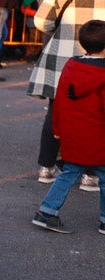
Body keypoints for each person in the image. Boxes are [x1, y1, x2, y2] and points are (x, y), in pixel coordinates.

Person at [27, 0, 105, 188]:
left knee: (55, 113)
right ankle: (91, 174)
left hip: (63, 61)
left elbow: (41, 22)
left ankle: (46, 167)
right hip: (99, 64)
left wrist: (62, 32)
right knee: (97, 118)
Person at [30, 19, 105, 233]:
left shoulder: (72, 66)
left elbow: (60, 101)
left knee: (69, 172)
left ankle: (47, 211)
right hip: (99, 137)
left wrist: (57, 128)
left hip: (73, 134)